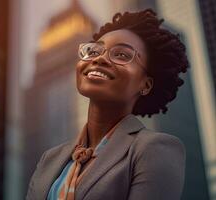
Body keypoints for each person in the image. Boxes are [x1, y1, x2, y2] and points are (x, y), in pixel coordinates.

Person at [26, 8, 189, 200]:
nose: (100, 58)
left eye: (121, 55)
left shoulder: (154, 149)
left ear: (145, 84)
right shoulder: (50, 159)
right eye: (94, 50)